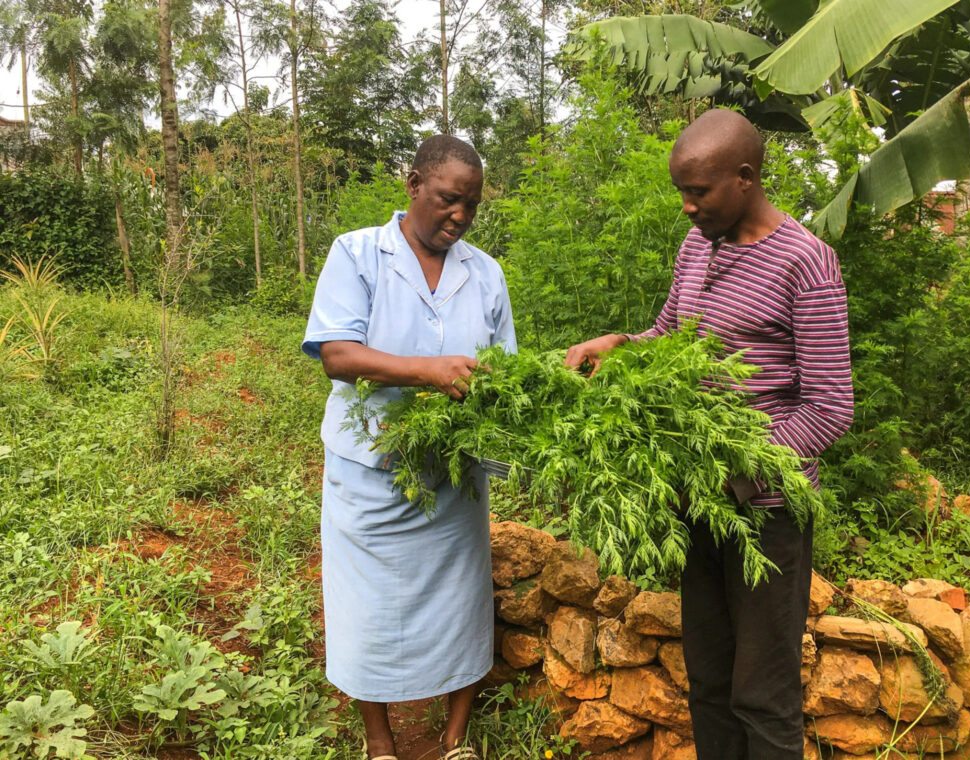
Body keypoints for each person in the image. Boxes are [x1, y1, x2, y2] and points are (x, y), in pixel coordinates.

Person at [565, 109, 853, 760]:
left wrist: (736, 469)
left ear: (745, 178)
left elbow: (831, 407)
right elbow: (671, 335)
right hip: (698, 503)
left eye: (698, 191)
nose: (687, 207)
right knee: (710, 678)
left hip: (767, 512)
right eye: (682, 192)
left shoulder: (806, 262)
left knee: (763, 693)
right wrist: (623, 344)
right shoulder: (698, 245)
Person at [302, 135, 515, 760]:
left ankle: (454, 738)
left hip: (454, 474)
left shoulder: (485, 272)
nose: (460, 215)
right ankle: (380, 741)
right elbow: (337, 355)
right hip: (371, 469)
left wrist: (509, 439)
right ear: (414, 185)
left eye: (471, 205)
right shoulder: (358, 254)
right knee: (366, 611)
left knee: (460, 602)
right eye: (448, 199)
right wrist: (428, 372)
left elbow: (504, 373)